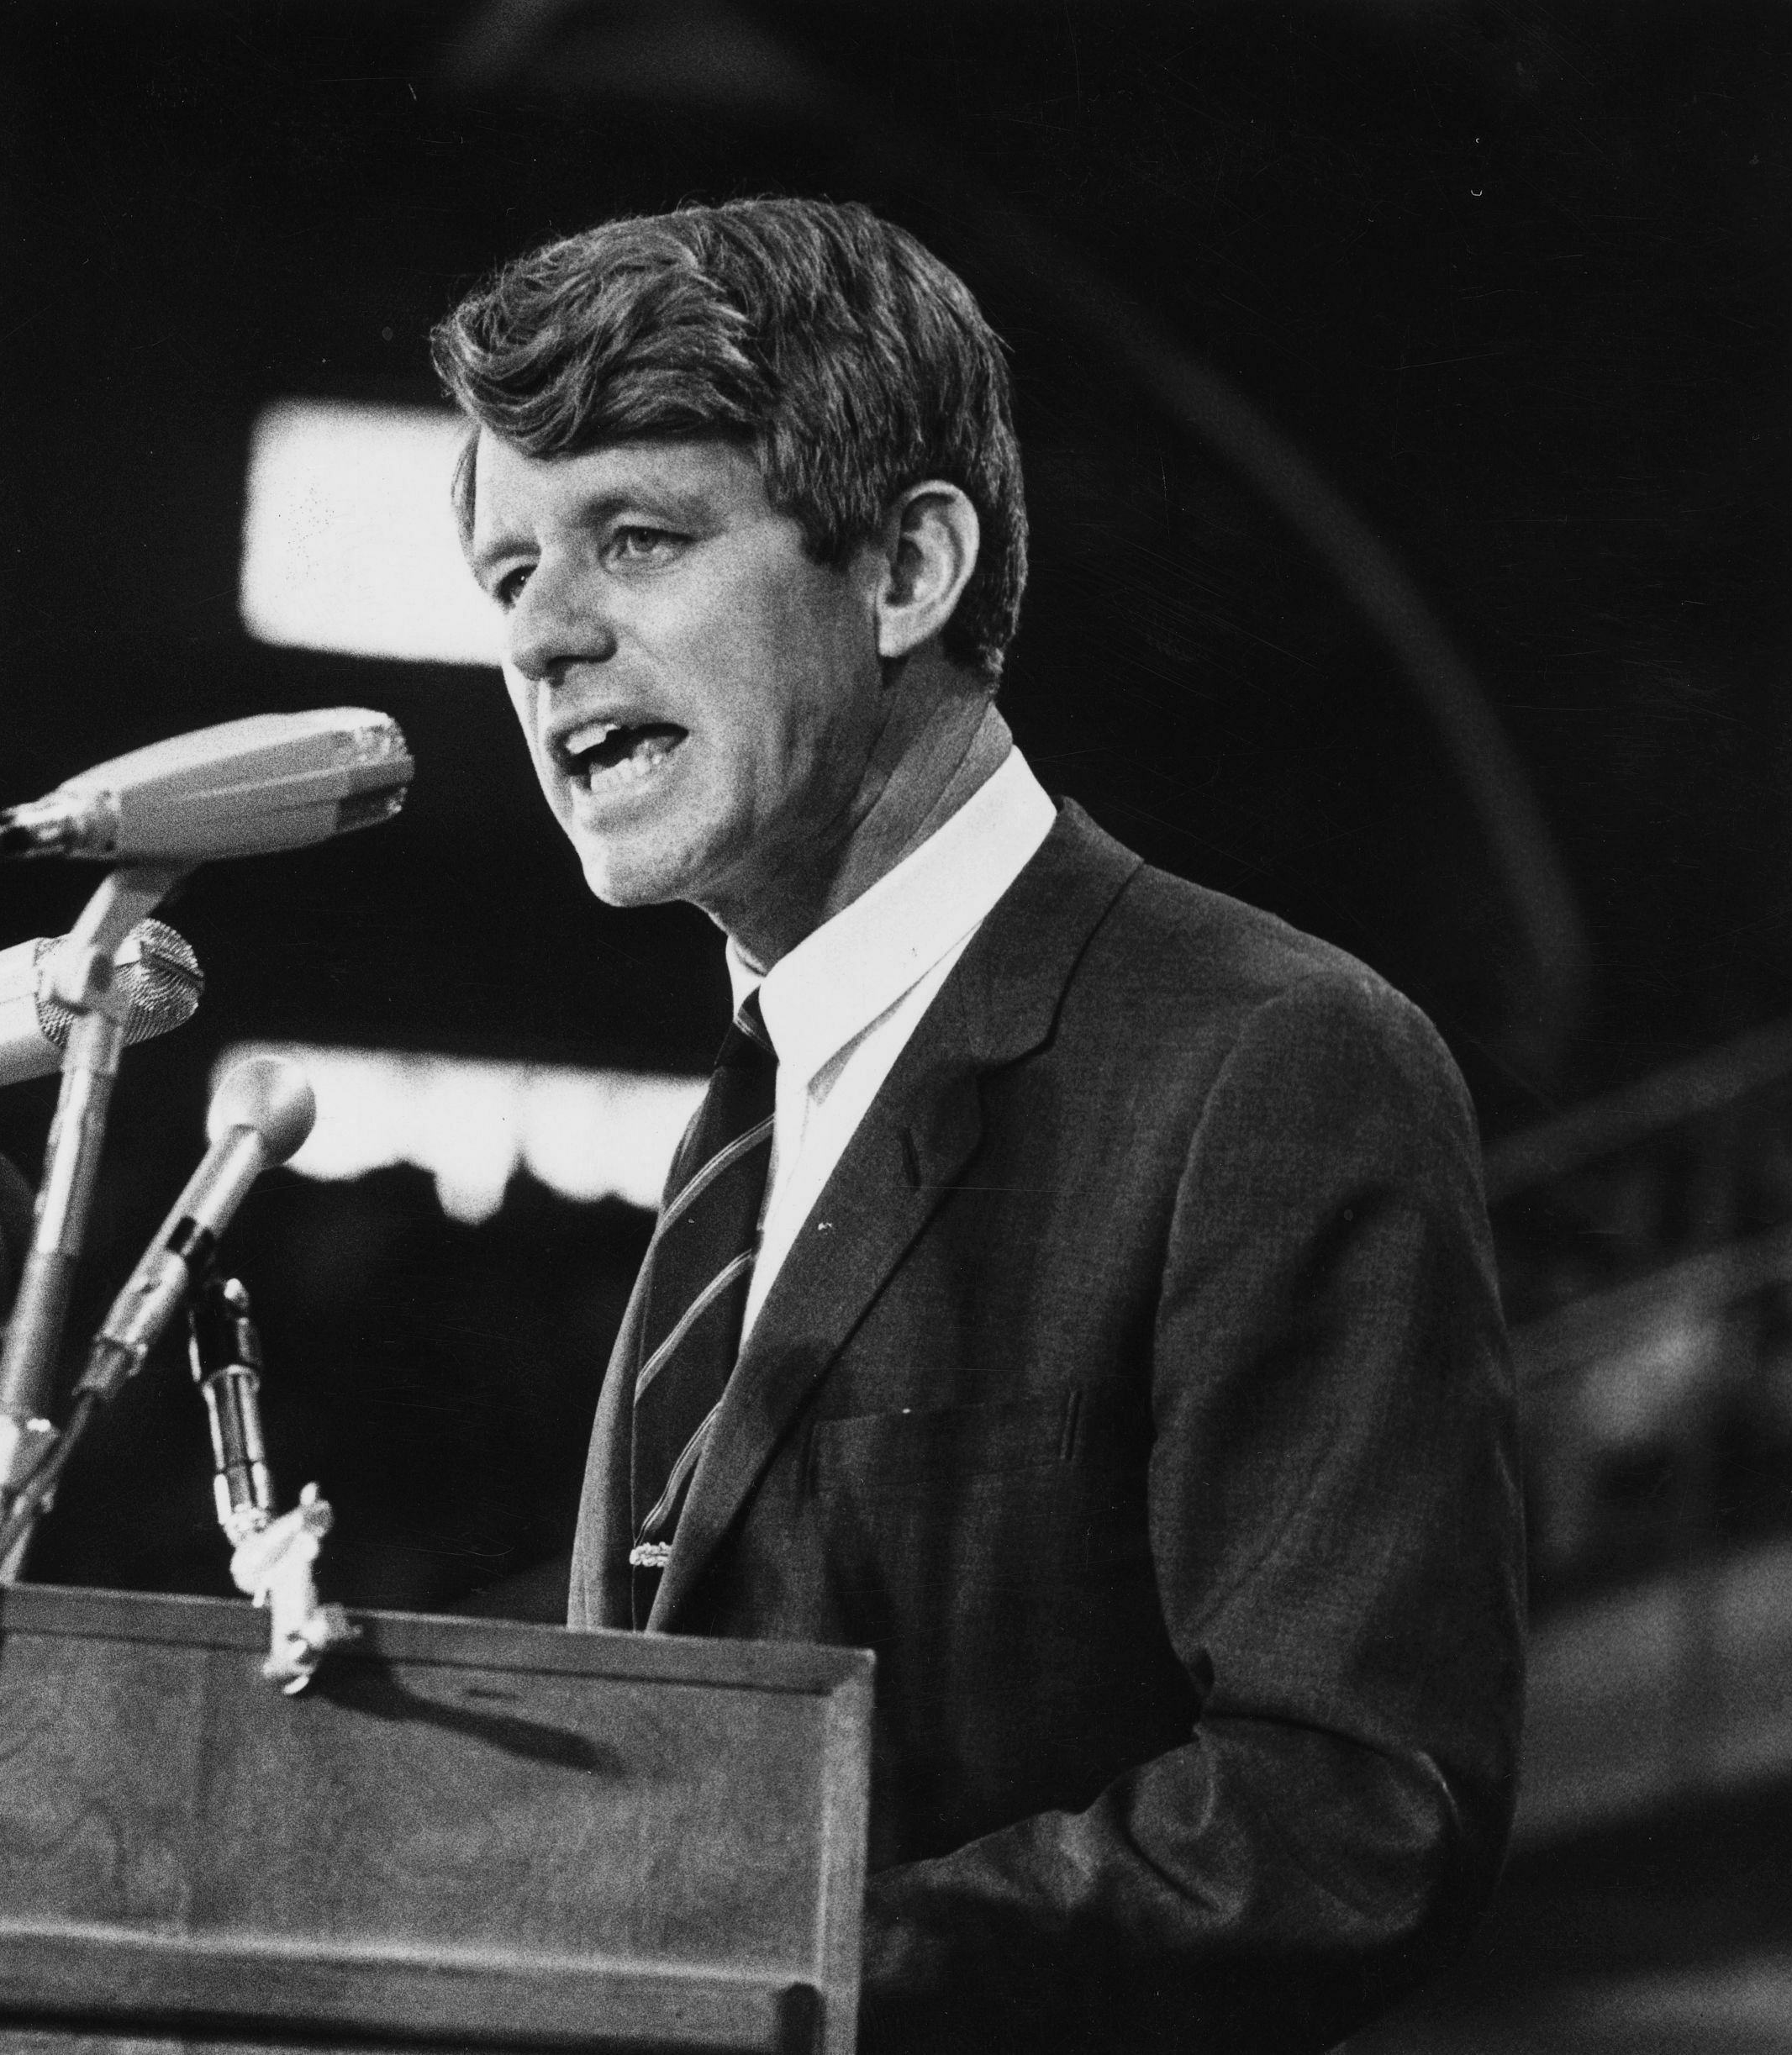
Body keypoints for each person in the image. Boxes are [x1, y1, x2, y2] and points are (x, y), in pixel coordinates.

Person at [430, 198, 1522, 2053]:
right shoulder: (751, 1122)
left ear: (908, 565)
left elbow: (1346, 1812)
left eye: (632, 535)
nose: (541, 636)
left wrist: (765, 1986)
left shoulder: (1268, 1056)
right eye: (505, 572)